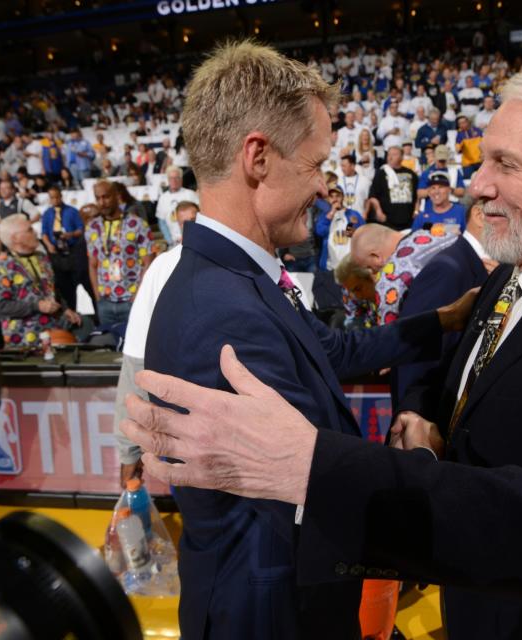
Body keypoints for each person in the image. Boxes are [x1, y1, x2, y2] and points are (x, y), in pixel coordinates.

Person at [122, 67, 522, 639]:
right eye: (485, 160)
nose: (477, 185)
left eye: (505, 163)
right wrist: (426, 421)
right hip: (422, 599)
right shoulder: (508, 276)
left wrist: (321, 465)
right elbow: (466, 399)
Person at [138, 41, 474, 640]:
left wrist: (441, 322)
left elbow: (332, 351)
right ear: (258, 157)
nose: (325, 188)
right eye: (316, 164)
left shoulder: (239, 276)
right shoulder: (225, 312)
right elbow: (313, 480)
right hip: (275, 614)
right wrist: (420, 457)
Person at [115, 200, 200, 488]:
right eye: (186, 222)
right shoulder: (175, 260)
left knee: (143, 443)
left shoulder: (173, 259)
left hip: (151, 354)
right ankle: (128, 520)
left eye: (195, 220)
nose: (192, 227)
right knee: (133, 446)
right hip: (146, 355)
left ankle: (132, 518)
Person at [392, 201, 493, 405]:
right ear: (479, 214)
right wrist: (411, 414)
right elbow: (417, 350)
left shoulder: (479, 265)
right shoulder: (448, 269)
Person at [0, 214, 80, 347]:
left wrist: (65, 309)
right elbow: (1, 306)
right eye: (29, 230)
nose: (36, 232)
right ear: (16, 238)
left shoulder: (42, 258)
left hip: (55, 333)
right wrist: (36, 306)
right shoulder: (1, 267)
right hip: (23, 340)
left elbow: (53, 290)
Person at [84, 180, 154, 326]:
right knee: (109, 346)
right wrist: (98, 296)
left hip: (131, 300)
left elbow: (148, 262)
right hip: (105, 302)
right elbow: (92, 264)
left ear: (117, 195)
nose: (102, 202)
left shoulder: (137, 224)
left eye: (106, 197)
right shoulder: (92, 227)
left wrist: (138, 295)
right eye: (98, 198)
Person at [41, 186, 85, 310]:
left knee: (79, 282)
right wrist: (49, 245)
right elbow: (44, 232)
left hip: (72, 251)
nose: (54, 200)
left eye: (56, 197)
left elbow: (80, 229)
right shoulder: (47, 214)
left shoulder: (72, 211)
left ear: (61, 196)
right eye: (52, 198)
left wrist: (70, 235)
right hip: (56, 253)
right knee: (64, 287)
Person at [314, 183, 365, 271]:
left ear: (343, 197)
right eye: (332, 196)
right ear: (328, 199)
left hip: (350, 266)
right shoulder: (325, 216)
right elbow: (320, 232)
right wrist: (332, 212)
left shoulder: (353, 214)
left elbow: (365, 235)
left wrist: (355, 231)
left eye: (337, 196)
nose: (335, 199)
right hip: (330, 266)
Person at [366, 146, 417, 230]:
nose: (390, 157)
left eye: (394, 154)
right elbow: (373, 195)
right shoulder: (381, 173)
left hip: (408, 220)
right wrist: (379, 211)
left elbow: (417, 195)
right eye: (389, 154)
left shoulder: (411, 174)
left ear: (401, 157)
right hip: (388, 221)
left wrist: (416, 210)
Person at [154, 165, 199, 246]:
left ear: (181, 179)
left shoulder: (190, 194)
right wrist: (169, 240)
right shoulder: (163, 198)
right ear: (168, 180)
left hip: (193, 240)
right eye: (171, 178)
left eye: (177, 177)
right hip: (174, 242)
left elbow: (199, 216)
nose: (174, 180)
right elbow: (162, 222)